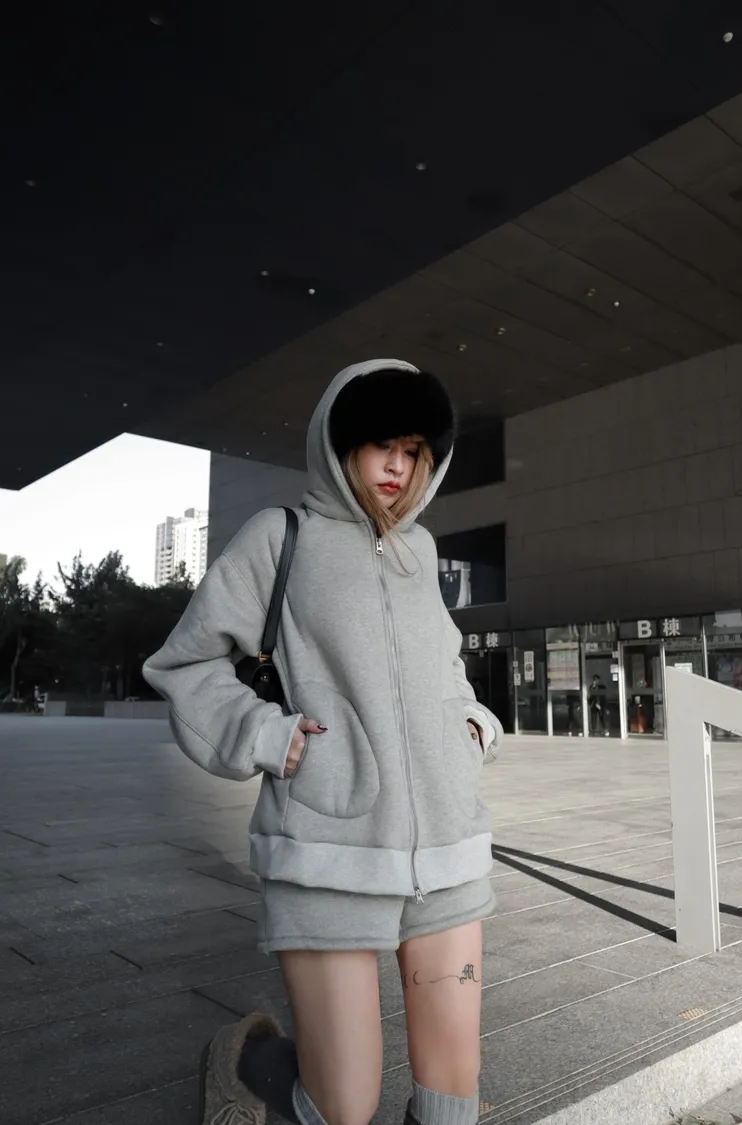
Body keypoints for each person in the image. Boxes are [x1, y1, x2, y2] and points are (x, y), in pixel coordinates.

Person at [143, 359, 503, 1125]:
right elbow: (185, 664)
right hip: (327, 846)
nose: (396, 465)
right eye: (381, 445)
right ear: (340, 444)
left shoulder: (419, 551)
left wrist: (472, 727)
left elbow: (445, 666)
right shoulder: (281, 537)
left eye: (412, 451)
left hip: (445, 849)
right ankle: (244, 1063)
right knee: (344, 1103)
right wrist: (265, 735)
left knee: (453, 1101)